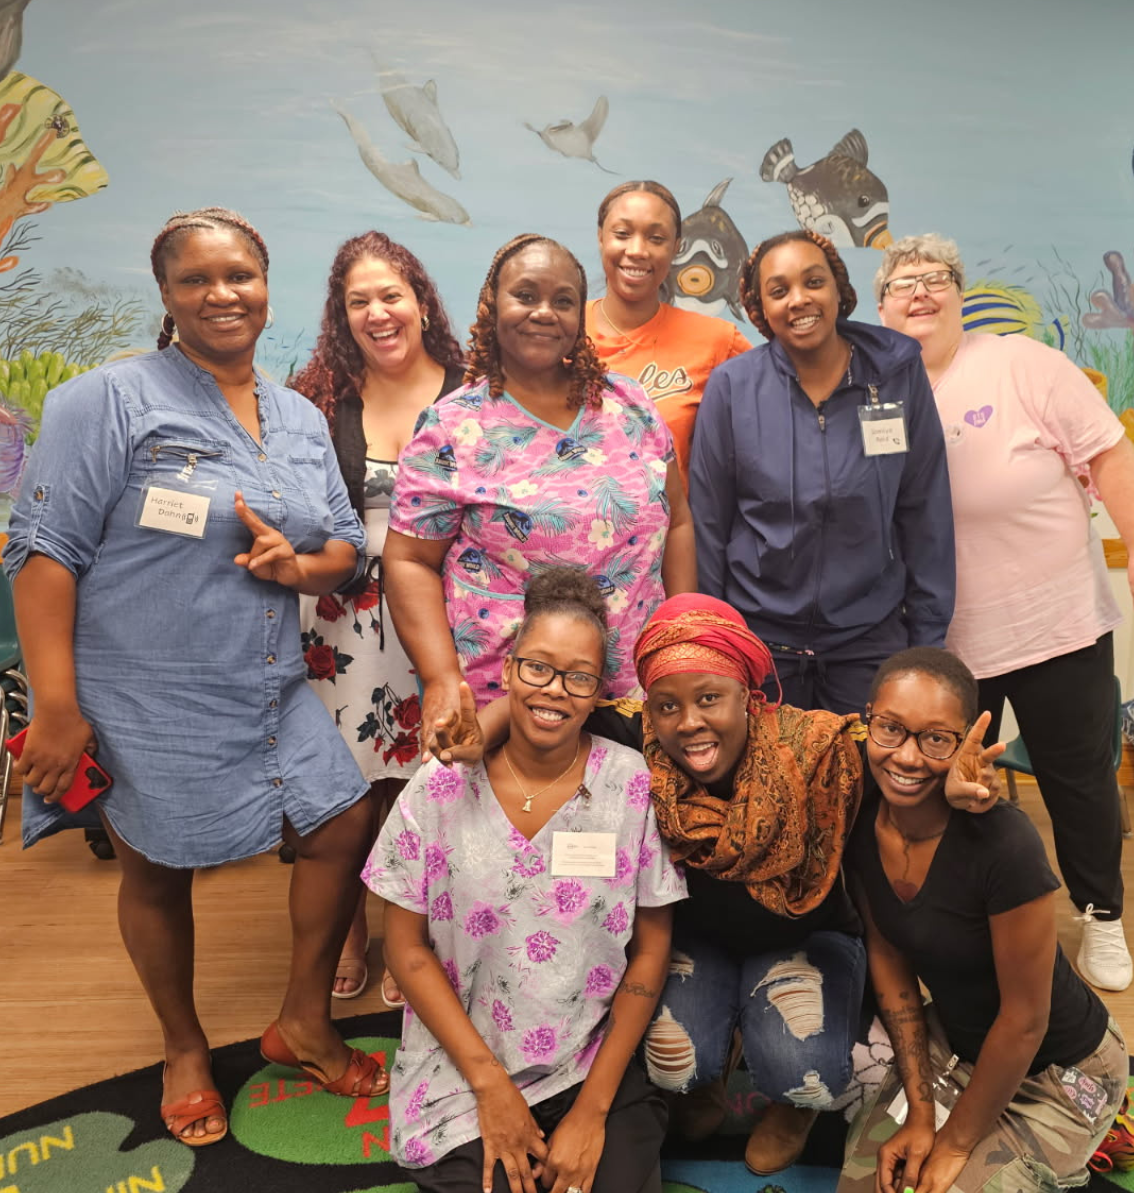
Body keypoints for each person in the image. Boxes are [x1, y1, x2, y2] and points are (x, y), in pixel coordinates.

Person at [3, 207, 388, 1148]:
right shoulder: (109, 400)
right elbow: (43, 553)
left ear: (267, 284)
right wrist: (57, 705)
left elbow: (341, 543)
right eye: (197, 280)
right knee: (159, 866)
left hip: (265, 683)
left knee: (341, 823)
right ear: (167, 295)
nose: (223, 294)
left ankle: (302, 1020)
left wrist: (302, 569)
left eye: (240, 276)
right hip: (145, 690)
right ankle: (182, 1046)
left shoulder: (296, 414)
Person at [448, 593, 1001, 1177]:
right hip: (699, 944)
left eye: (710, 698)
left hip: (808, 938)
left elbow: (902, 758)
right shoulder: (644, 741)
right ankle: (705, 1076)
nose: (689, 722)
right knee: (673, 1062)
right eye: (667, 705)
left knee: (802, 1065)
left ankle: (794, 1106)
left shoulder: (819, 751)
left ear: (748, 695)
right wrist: (476, 735)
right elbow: (561, 698)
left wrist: (955, 788)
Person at [875, 233, 1134, 991]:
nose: (921, 292)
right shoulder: (876, 387)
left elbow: (1111, 455)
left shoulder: (1023, 364)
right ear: (881, 305)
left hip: (1054, 621)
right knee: (941, 782)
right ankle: (957, 915)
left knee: (1076, 778)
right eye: (902, 283)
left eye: (936, 278)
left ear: (959, 292)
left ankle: (1100, 914)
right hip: (942, 638)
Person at [364, 567, 686, 1193]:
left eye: (579, 677)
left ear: (600, 693)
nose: (554, 690)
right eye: (537, 667)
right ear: (507, 670)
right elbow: (405, 949)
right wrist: (492, 1089)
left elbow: (650, 953)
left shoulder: (631, 785)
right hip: (463, 1065)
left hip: (588, 1063)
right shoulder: (439, 788)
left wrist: (592, 1113)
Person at [384, 232, 696, 756]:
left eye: (563, 300)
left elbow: (679, 520)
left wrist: (681, 641)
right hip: (506, 703)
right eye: (525, 295)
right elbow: (409, 559)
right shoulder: (452, 426)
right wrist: (439, 678)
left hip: (634, 694)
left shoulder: (631, 406)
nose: (544, 312)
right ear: (492, 306)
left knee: (626, 834)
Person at [838, 648, 1126, 1193]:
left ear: (966, 739)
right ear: (867, 717)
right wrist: (922, 1115)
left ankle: (1075, 1145)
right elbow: (891, 966)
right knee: (866, 1184)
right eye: (891, 728)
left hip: (1061, 1069)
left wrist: (955, 1142)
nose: (907, 756)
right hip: (959, 1047)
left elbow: (1025, 1022)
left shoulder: (1005, 843)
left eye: (936, 738)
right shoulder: (857, 818)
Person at [292, 231, 465, 1006]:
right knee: (345, 792)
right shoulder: (320, 399)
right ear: (341, 315)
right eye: (358, 301)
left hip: (439, 618)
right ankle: (348, 932)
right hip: (342, 627)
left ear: (421, 301)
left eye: (390, 295)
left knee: (427, 788)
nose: (377, 312)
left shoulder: (475, 390)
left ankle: (410, 939)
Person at [689, 229, 955, 715]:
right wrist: (715, 642)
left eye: (814, 281)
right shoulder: (733, 387)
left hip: (869, 643)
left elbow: (925, 512)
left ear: (839, 290)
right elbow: (708, 523)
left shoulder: (896, 376)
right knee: (767, 788)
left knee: (863, 786)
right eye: (779, 290)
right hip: (759, 642)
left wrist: (927, 645)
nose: (799, 300)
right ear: (759, 308)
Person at [585, 180, 752, 487]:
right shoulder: (558, 332)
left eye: (656, 238)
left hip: (675, 532)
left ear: (676, 248)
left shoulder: (718, 340)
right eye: (622, 234)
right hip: (557, 532)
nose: (636, 250)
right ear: (600, 238)